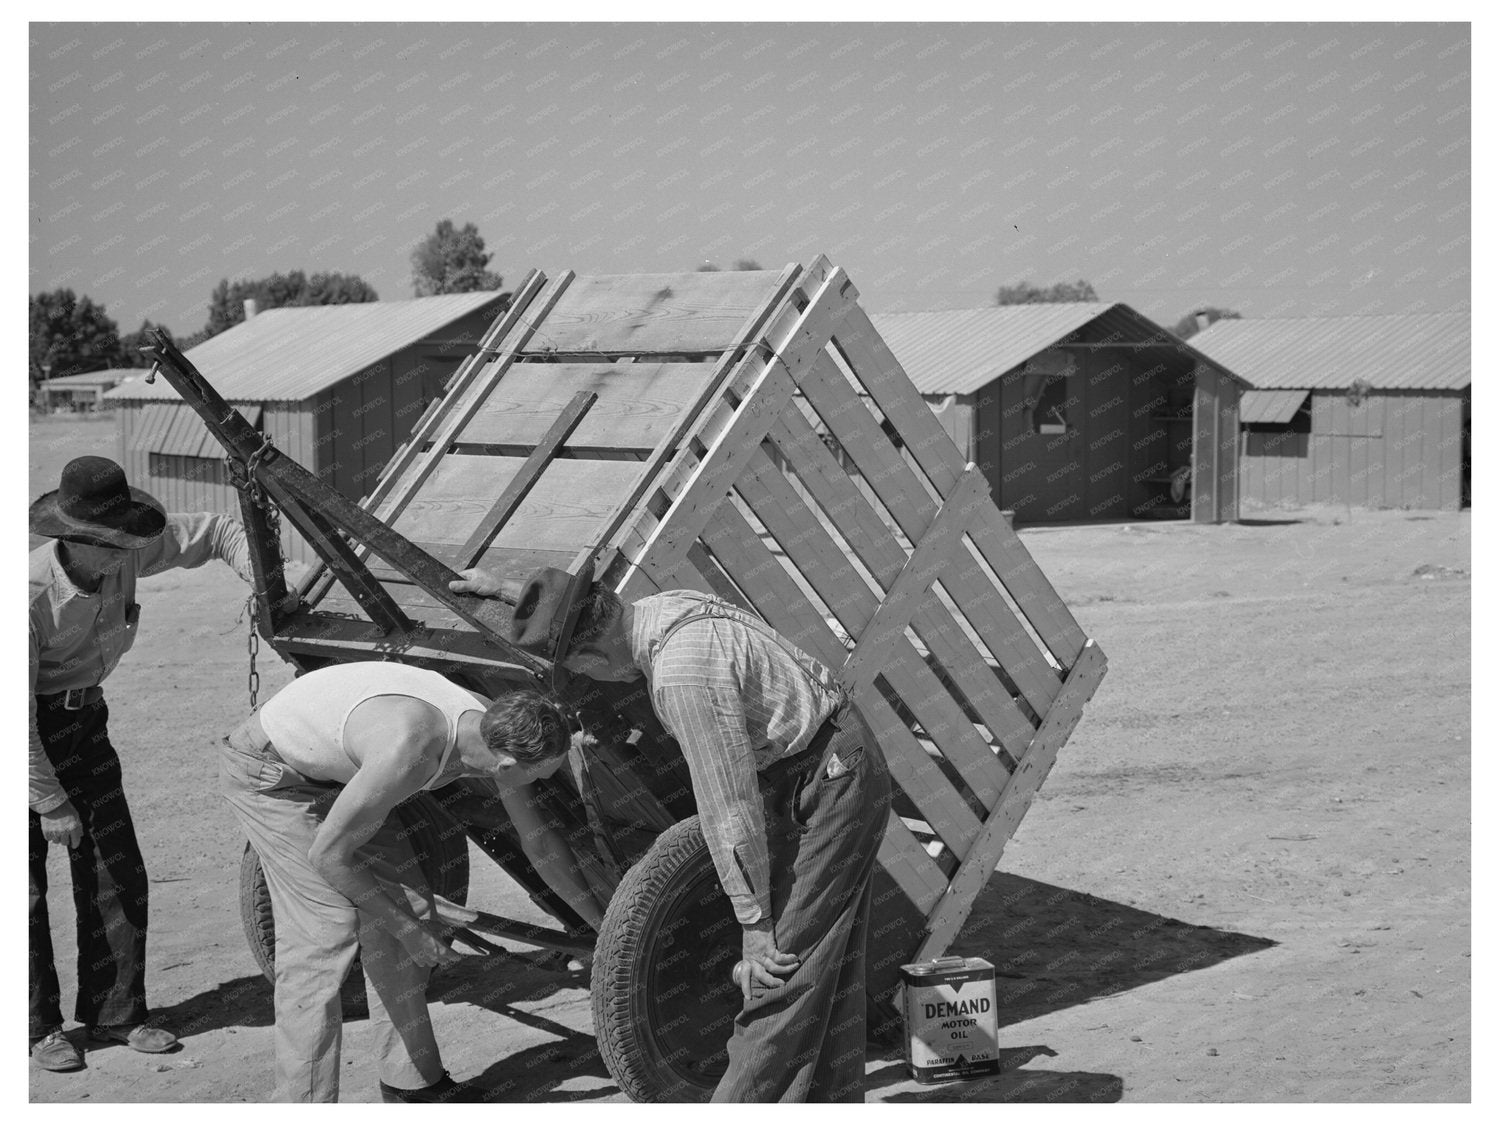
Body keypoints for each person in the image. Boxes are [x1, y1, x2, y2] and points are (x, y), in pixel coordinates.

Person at [450, 563, 893, 1102]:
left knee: (779, 969)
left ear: (592, 659)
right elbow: (576, 608)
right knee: (829, 953)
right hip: (828, 753)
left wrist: (754, 925)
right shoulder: (663, 607)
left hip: (831, 776)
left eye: (583, 670)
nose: (592, 679)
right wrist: (505, 592)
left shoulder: (682, 676)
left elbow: (728, 808)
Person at [220, 660, 606, 1103]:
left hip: (343, 771)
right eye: (539, 774)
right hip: (271, 775)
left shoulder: (492, 726)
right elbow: (328, 856)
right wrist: (409, 929)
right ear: (505, 766)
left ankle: (413, 1084)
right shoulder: (411, 751)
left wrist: (598, 924)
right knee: (324, 936)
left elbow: (537, 844)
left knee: (403, 918)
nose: (542, 780)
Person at [29, 456, 261, 1072]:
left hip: (83, 724)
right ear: (74, 540)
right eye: (112, 546)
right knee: (23, 889)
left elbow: (219, 530)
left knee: (115, 869)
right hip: (20, 736)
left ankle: (116, 1015)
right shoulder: (23, 598)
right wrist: (49, 800)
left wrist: (264, 583)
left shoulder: (128, 551)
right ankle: (38, 1027)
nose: (127, 556)